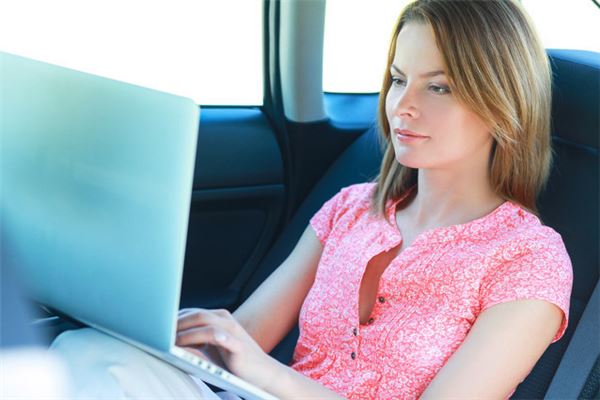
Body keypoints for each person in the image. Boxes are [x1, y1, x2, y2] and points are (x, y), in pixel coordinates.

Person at [51, 1, 573, 399]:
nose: (402, 106)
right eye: (398, 80)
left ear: (501, 102)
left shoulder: (528, 260)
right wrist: (158, 328)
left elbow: (258, 365)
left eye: (439, 88)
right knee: (89, 350)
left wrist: (267, 374)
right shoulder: (351, 208)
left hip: (269, 389)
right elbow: (245, 339)